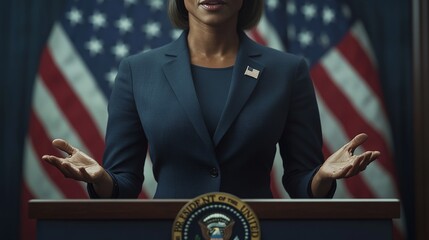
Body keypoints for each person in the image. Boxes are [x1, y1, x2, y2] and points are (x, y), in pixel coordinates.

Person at [42, 0, 379, 199]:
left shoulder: (288, 71)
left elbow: (301, 180)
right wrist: (100, 179)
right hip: (167, 230)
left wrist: (323, 177)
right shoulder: (137, 71)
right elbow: (124, 184)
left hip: (258, 229)